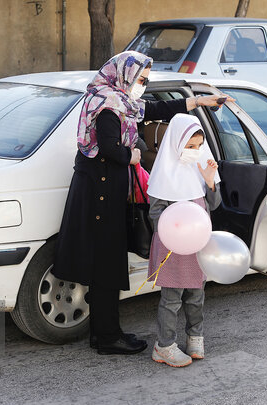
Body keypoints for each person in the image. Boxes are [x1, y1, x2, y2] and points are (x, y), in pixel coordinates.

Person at [52, 50, 229, 356]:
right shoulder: (109, 106)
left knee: (104, 265)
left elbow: (157, 108)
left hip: (103, 192)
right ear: (124, 74)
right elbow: (108, 147)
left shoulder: (121, 103)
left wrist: (197, 102)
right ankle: (108, 337)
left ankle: (104, 333)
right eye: (141, 79)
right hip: (101, 195)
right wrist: (130, 155)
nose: (142, 85)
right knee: (106, 265)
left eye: (145, 79)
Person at [146, 113, 222, 367]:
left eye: (199, 146)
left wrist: (210, 182)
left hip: (197, 245)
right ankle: (164, 345)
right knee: (171, 298)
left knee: (196, 294)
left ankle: (195, 337)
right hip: (173, 248)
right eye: (190, 147)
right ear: (177, 143)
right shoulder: (164, 173)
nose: (195, 151)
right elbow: (155, 214)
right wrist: (175, 233)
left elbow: (215, 204)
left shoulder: (200, 169)